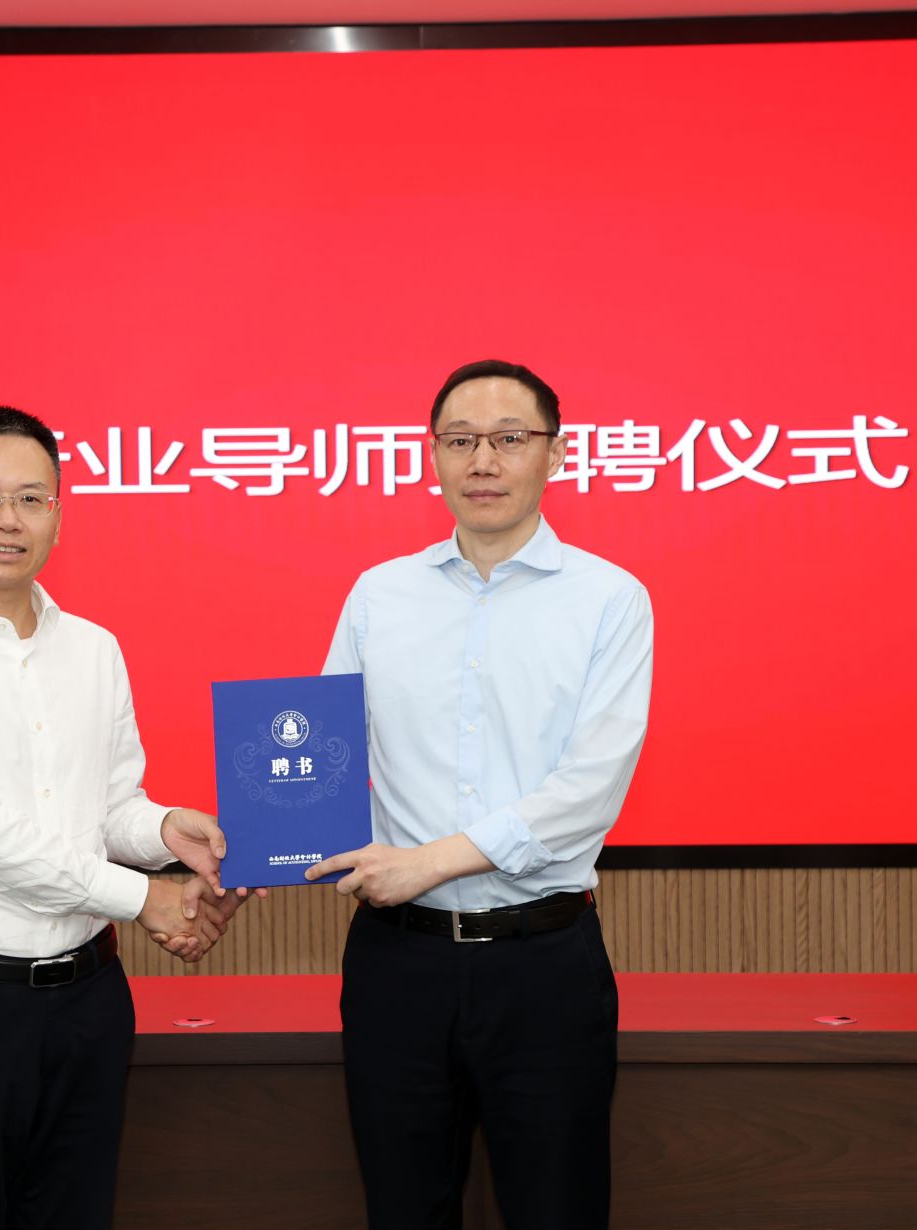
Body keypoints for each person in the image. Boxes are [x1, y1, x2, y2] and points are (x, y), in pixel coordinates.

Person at [0, 404, 248, 1230]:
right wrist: (146, 899)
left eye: (31, 499)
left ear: (58, 516)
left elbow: (108, 809)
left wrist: (165, 830)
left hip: (86, 1006)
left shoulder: (94, 648)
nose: (8, 519)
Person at [307, 359, 654, 1230]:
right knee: (403, 1209)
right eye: (461, 441)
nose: (483, 461)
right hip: (398, 965)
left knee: (557, 1209)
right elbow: (323, 759)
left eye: (509, 439)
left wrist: (431, 862)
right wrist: (266, 844)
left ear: (555, 454)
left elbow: (588, 789)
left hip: (543, 966)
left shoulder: (609, 599)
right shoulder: (379, 595)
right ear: (433, 455)